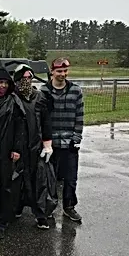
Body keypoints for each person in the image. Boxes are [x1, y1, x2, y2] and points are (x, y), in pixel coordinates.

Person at [12, 64, 57, 229]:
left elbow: (46, 122)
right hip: (17, 147)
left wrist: (47, 145)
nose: (27, 81)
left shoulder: (39, 97)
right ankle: (16, 208)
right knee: (17, 181)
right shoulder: (11, 98)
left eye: (29, 78)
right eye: (23, 78)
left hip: (35, 146)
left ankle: (40, 214)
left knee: (38, 181)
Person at [40, 58, 84, 223]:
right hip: (50, 143)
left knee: (71, 178)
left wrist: (76, 138)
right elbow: (41, 118)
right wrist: (44, 141)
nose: (62, 74)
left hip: (69, 142)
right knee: (49, 179)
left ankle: (69, 207)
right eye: (59, 71)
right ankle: (49, 209)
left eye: (65, 71)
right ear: (52, 71)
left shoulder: (76, 91)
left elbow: (79, 117)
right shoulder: (44, 91)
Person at [0, 68, 25, 240]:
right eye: (0, 82)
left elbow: (20, 126)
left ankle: (1, 222)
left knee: (4, 185)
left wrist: (17, 148)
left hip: (6, 149)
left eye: (6, 83)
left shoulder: (13, 101)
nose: (2, 86)